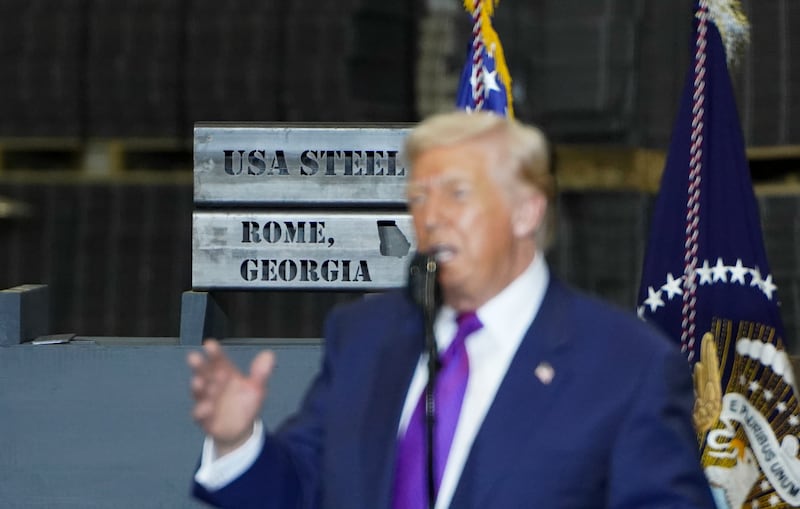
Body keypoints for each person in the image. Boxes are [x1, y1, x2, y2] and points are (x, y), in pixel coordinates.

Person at [188, 111, 715, 508]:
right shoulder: (367, 337)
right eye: (419, 197)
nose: (431, 216)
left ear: (526, 210)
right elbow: (303, 486)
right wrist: (237, 441)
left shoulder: (626, 365)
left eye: (457, 194)